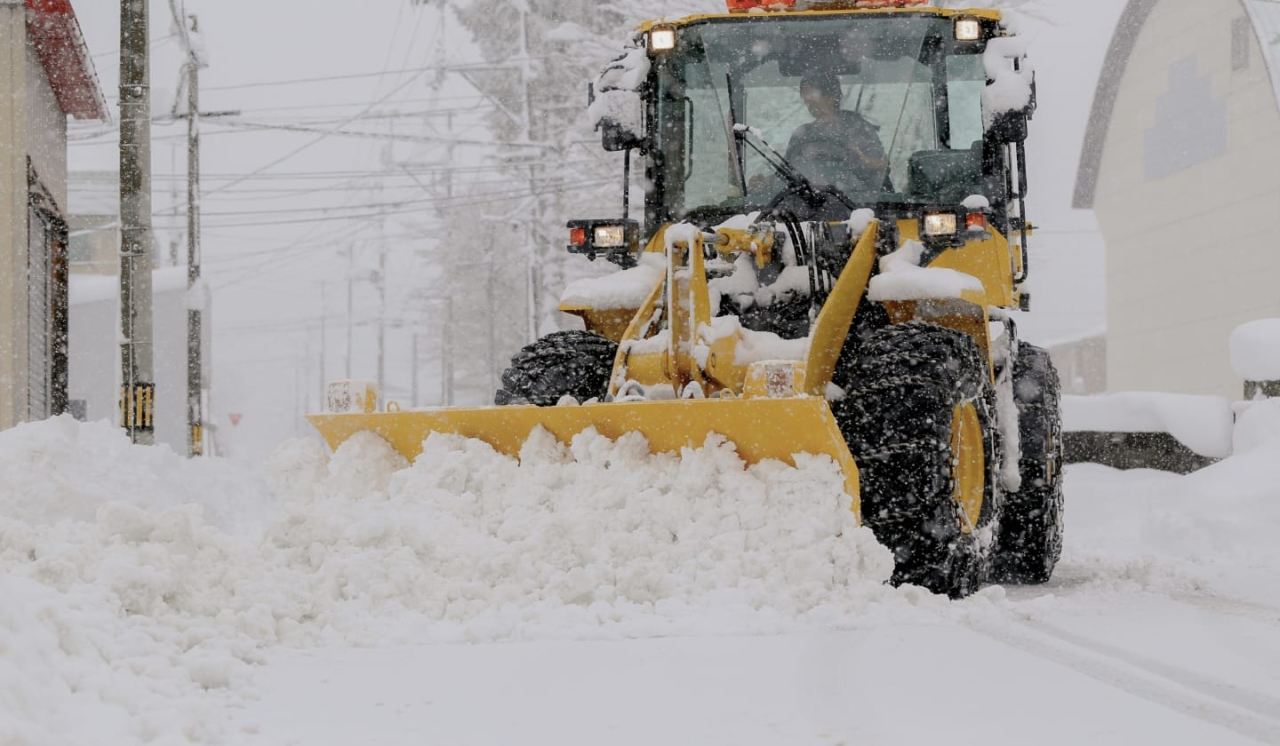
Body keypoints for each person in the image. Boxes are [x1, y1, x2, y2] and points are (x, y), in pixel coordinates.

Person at [751, 71, 890, 197]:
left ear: (833, 96)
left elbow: (879, 169)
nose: (808, 101)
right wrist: (766, 183)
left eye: (812, 95)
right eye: (805, 97)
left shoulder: (858, 129)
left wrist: (863, 161)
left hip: (855, 206)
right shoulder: (801, 135)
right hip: (804, 209)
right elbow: (787, 175)